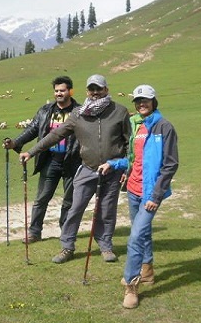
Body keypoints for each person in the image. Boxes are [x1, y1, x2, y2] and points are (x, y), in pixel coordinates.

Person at [20, 74, 131, 264]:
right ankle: (67, 247)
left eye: (99, 89)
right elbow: (55, 134)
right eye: (91, 89)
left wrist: (126, 169)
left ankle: (105, 246)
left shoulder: (119, 111)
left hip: (112, 171)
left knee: (107, 210)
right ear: (87, 91)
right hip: (87, 169)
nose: (95, 93)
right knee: (75, 208)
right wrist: (31, 152)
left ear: (106, 90)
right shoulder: (78, 114)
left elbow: (129, 142)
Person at [107, 84, 179, 309]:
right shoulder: (136, 125)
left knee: (135, 237)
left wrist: (156, 196)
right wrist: (113, 164)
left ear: (154, 101)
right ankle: (147, 271)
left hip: (150, 193)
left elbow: (170, 165)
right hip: (133, 189)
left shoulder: (164, 127)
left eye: (145, 100)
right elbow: (133, 159)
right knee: (143, 232)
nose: (141, 104)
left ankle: (131, 284)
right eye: (138, 101)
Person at [3, 76, 81, 244]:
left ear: (70, 91)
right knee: (41, 199)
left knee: (69, 201)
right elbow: (32, 129)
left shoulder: (79, 111)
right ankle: (34, 232)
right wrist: (16, 143)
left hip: (73, 161)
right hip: (50, 160)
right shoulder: (45, 111)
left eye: (62, 90)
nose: (59, 93)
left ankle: (65, 232)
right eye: (56, 91)